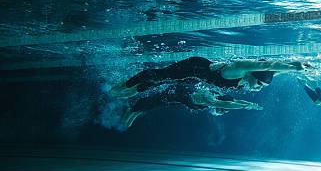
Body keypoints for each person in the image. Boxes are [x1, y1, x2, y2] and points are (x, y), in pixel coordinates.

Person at [111, 56, 310, 98]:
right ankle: (125, 84)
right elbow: (265, 65)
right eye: (258, 85)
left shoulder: (252, 77)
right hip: (194, 66)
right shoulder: (238, 70)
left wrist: (294, 67)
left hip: (197, 78)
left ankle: (134, 90)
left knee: (167, 83)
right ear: (251, 74)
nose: (257, 89)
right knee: (161, 76)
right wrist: (295, 66)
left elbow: (272, 70)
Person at [118, 80, 263, 130]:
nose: (218, 113)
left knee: (145, 107)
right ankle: (128, 108)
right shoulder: (210, 100)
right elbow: (230, 104)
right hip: (172, 93)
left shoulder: (211, 99)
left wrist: (249, 104)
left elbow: (231, 102)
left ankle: (130, 113)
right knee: (141, 107)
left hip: (173, 97)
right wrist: (244, 106)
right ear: (220, 106)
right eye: (221, 111)